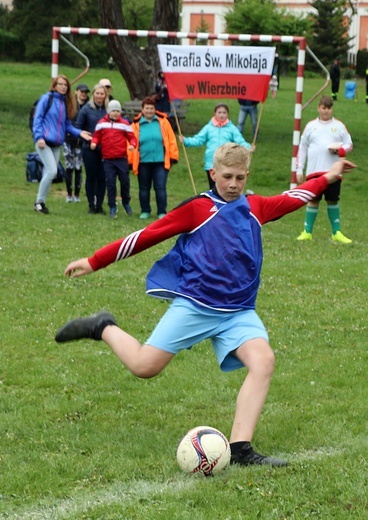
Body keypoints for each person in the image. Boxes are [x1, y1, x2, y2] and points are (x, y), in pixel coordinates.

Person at [55, 142, 356, 467]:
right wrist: (95, 260)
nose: (233, 184)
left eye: (240, 177)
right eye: (226, 176)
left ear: (247, 176)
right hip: (196, 306)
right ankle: (104, 326)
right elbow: (147, 235)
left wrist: (330, 174)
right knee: (145, 367)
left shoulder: (256, 207)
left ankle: (241, 448)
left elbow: (297, 196)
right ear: (213, 174)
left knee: (263, 361)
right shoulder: (197, 209)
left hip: (239, 312)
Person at [296, 95, 353, 243]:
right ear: (318, 108)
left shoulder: (339, 126)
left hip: (333, 171)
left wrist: (340, 150)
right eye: (323, 108)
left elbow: (349, 144)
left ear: (332, 109)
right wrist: (299, 168)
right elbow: (302, 148)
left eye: (329, 108)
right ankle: (307, 231)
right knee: (313, 200)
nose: (326, 111)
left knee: (332, 200)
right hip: (314, 170)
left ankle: (336, 232)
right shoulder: (310, 126)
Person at [32, 74, 92, 214]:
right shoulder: (47, 99)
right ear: (54, 85)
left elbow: (67, 125)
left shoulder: (64, 103)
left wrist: (80, 133)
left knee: (50, 172)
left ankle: (41, 203)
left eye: (65, 85)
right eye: (60, 84)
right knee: (52, 170)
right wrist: (39, 137)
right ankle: (39, 202)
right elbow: (38, 119)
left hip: (55, 144)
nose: (63, 87)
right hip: (44, 142)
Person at [179, 103, 253, 189]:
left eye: (224, 113)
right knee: (213, 187)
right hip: (211, 162)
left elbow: (240, 141)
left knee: (224, 186)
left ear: (227, 114)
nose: (222, 115)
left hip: (226, 163)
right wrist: (186, 141)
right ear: (215, 114)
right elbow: (199, 139)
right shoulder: (208, 128)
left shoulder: (232, 128)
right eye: (219, 112)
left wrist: (248, 147)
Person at [127, 96, 179, 220]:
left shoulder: (163, 122)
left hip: (161, 161)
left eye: (151, 108)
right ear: (142, 110)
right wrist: (130, 160)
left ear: (155, 109)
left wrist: (173, 156)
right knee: (144, 188)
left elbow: (171, 139)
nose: (149, 111)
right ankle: (145, 210)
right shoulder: (135, 124)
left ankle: (162, 211)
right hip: (143, 161)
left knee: (160, 187)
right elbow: (130, 142)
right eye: (147, 108)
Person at [91, 100, 137, 218]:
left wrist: (132, 145)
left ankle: (126, 202)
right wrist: (94, 143)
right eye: (113, 111)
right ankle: (112, 206)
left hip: (121, 158)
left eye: (118, 111)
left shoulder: (125, 124)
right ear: (108, 112)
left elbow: (132, 138)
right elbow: (96, 136)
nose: (116, 113)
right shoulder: (101, 123)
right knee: (110, 183)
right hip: (108, 159)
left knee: (125, 182)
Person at [76, 83, 108, 215]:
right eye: (97, 93)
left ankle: (99, 205)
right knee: (91, 177)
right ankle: (91, 205)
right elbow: (78, 127)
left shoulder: (109, 109)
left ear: (105, 95)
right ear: (93, 94)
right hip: (89, 149)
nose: (99, 96)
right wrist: (88, 139)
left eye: (102, 93)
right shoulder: (86, 109)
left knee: (102, 177)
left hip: (106, 150)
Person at [63, 83, 90, 203]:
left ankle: (77, 195)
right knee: (69, 167)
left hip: (81, 142)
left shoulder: (89, 106)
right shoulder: (70, 104)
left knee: (79, 168)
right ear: (76, 92)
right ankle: (69, 194)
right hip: (68, 140)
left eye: (85, 92)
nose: (83, 94)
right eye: (81, 92)